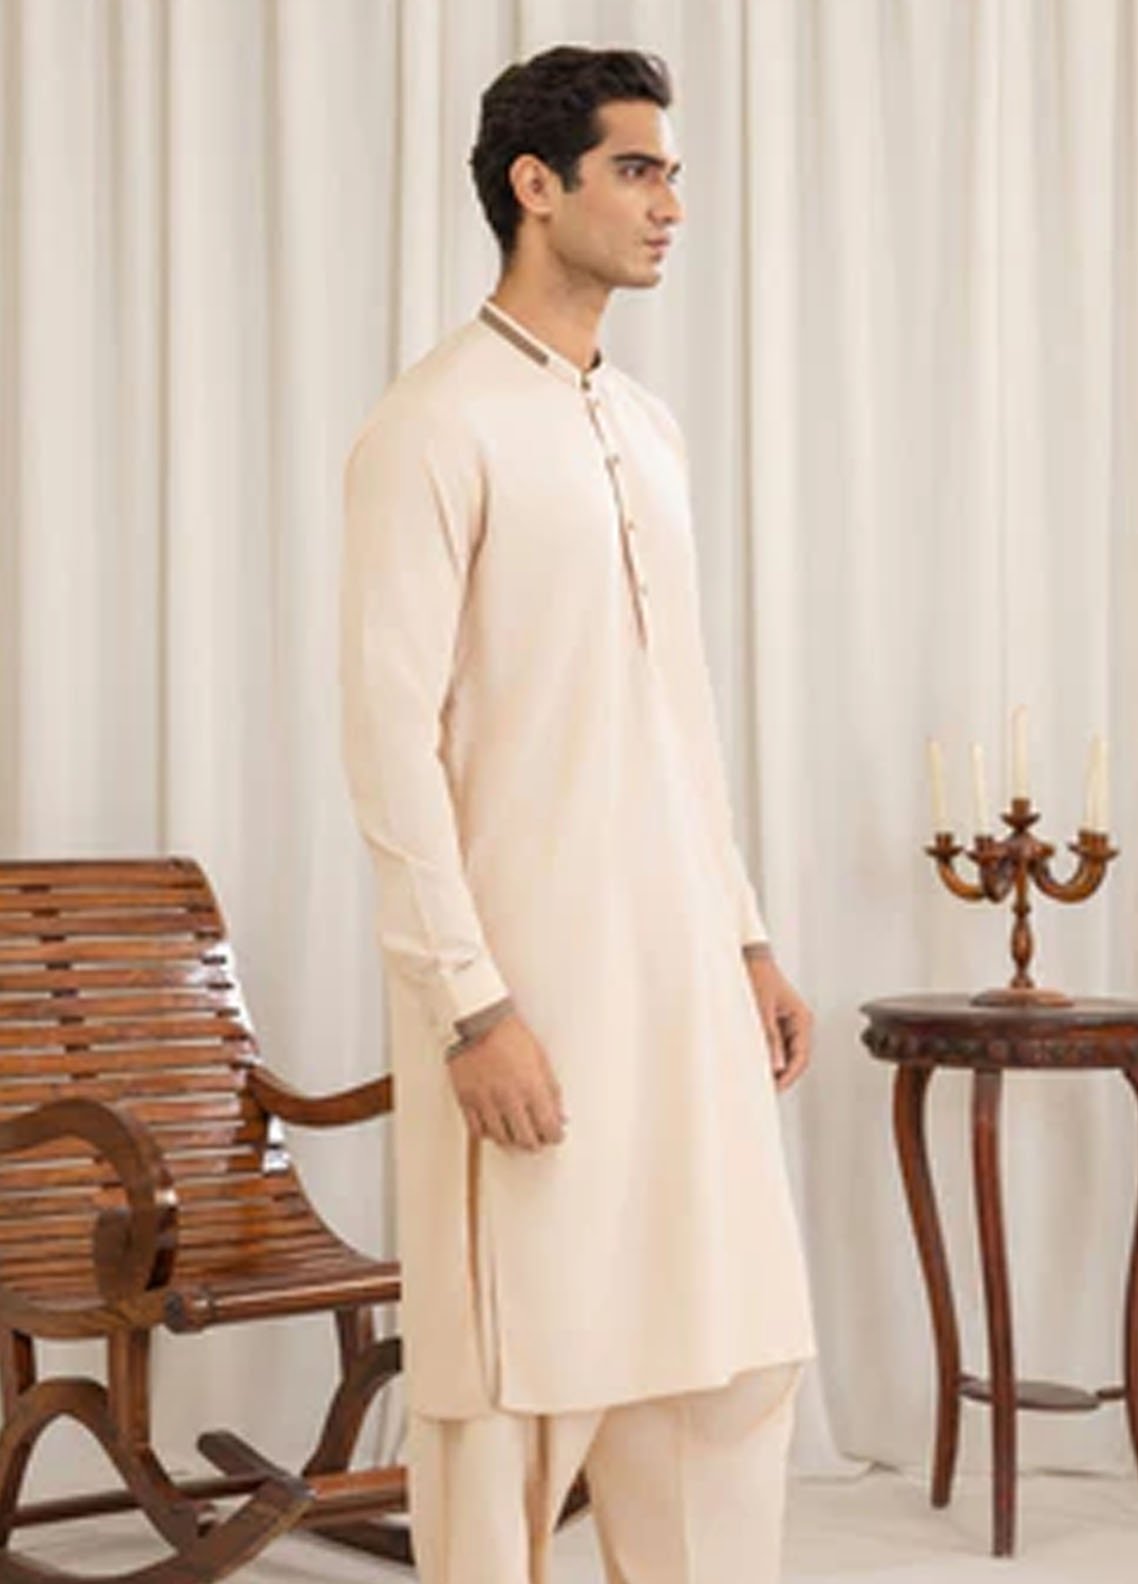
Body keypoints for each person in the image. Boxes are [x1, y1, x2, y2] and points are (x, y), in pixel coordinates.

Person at [340, 43, 816, 1584]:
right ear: (534, 186)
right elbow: (387, 744)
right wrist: (470, 1010)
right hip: (525, 984)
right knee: (516, 1383)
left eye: (671, 171)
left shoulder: (649, 431)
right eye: (636, 169)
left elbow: (680, 714)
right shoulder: (432, 425)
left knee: (726, 1348)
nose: (670, 202)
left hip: (681, 978)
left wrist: (744, 940)